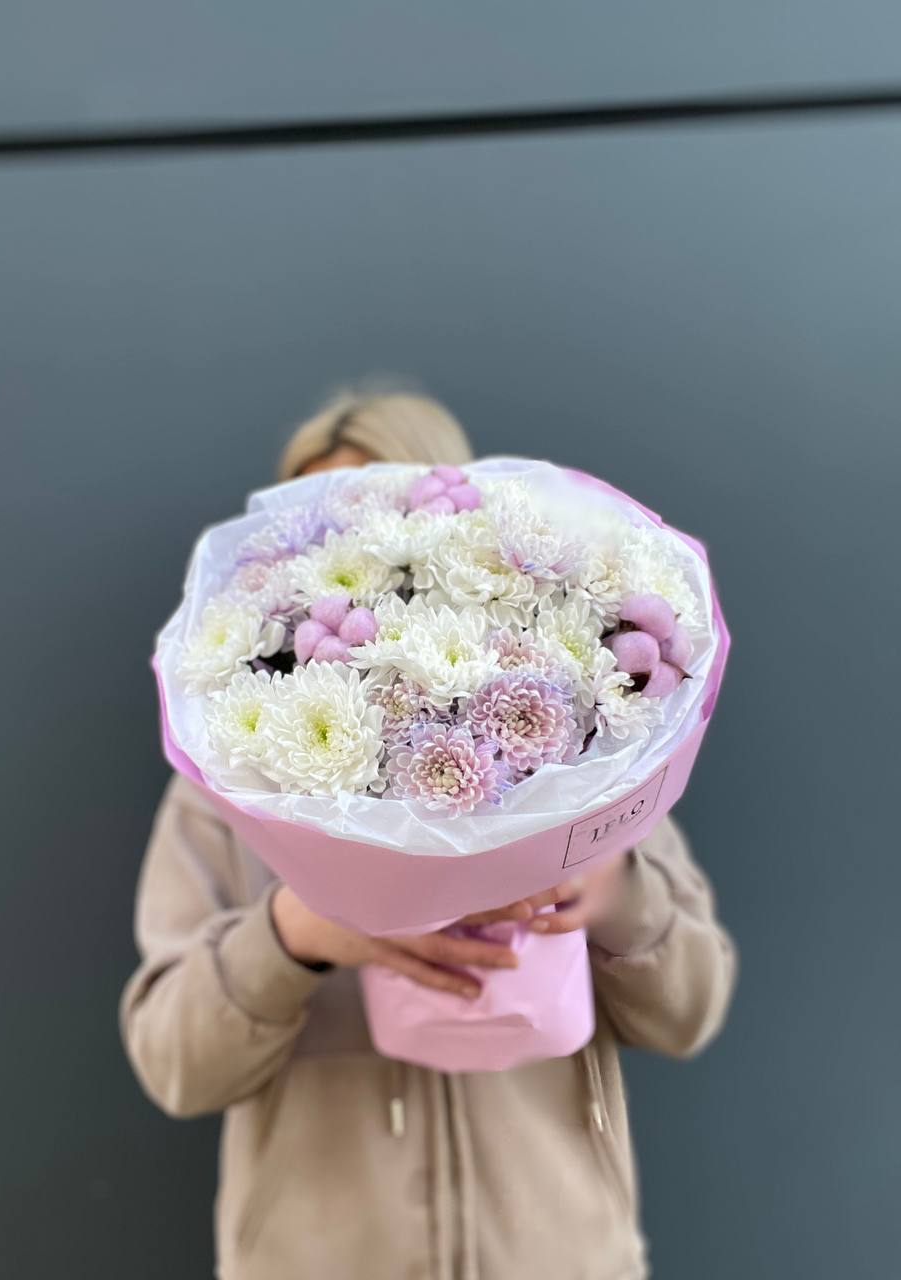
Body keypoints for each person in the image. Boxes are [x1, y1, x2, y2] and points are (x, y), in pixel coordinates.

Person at [120, 390, 736, 1280]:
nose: (351, 541)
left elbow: (690, 1013)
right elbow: (173, 1065)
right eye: (322, 522)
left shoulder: (595, 762)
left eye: (376, 505)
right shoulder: (226, 788)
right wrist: (295, 935)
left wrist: (617, 895)